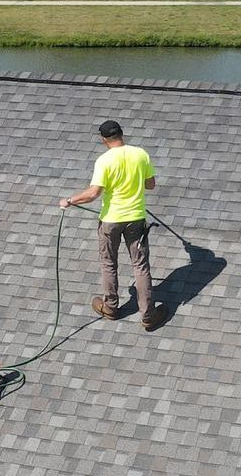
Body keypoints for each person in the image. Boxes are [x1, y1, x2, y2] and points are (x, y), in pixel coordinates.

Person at [60, 120, 168, 331]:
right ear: (122, 134)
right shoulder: (140, 154)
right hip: (136, 219)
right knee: (140, 265)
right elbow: (151, 184)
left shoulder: (104, 161)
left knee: (109, 263)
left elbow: (93, 194)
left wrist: (70, 200)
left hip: (110, 220)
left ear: (104, 140)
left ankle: (110, 307)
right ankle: (148, 315)